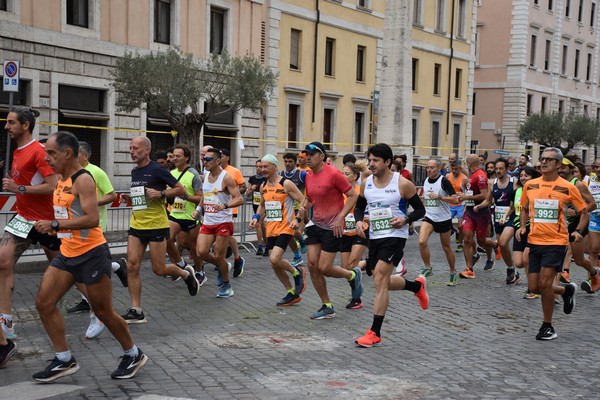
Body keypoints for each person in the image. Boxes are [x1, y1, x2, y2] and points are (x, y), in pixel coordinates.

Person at [32, 131, 147, 382]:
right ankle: (64, 359)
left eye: (51, 153)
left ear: (67, 153)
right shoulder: (60, 179)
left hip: (91, 254)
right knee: (43, 302)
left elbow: (92, 218)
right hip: (67, 254)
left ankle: (133, 353)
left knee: (103, 311)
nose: (47, 159)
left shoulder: (82, 180)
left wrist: (54, 224)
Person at [353, 143, 428, 348]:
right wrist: (359, 221)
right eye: (370, 160)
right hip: (374, 236)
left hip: (395, 236)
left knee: (379, 278)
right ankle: (416, 286)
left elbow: (420, 210)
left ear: (387, 162)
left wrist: (405, 219)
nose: (371, 164)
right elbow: (359, 208)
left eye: (376, 160)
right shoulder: (366, 182)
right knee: (381, 278)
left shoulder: (402, 184)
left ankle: (374, 332)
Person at [120, 136, 199, 324]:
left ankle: (186, 273)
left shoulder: (157, 169)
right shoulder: (134, 171)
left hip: (156, 225)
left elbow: (180, 190)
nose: (132, 151)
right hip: (137, 224)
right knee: (132, 266)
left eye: (135, 148)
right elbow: (142, 197)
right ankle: (136, 310)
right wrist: (130, 199)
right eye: (130, 148)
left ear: (146, 150)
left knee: (159, 269)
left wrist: (161, 193)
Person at [0, 107, 60, 340]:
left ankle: (96, 307)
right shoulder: (17, 152)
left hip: (46, 221)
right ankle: (6, 321)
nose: (6, 127)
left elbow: (53, 184)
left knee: (67, 270)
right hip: (23, 218)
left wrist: (20, 188)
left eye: (11, 122)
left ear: (25, 125)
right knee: (3, 261)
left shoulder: (39, 151)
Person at [516, 147, 587, 340]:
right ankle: (566, 291)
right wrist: (523, 227)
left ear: (558, 164)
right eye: (542, 158)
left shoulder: (568, 186)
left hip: (556, 242)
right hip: (534, 241)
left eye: (549, 159)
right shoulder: (530, 185)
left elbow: (584, 212)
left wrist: (579, 231)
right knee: (534, 287)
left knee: (545, 283)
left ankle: (547, 326)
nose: (544, 162)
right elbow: (523, 209)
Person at [298, 141, 363, 320]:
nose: (308, 158)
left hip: (333, 226)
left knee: (324, 268)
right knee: (312, 265)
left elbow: (353, 195)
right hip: (316, 224)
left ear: (322, 156)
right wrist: (301, 213)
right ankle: (327, 305)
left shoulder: (334, 173)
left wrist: (341, 217)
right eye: (306, 155)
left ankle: (352, 275)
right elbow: (309, 198)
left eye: (312, 155)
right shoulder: (308, 176)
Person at [73, 141, 127, 340]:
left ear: (85, 156)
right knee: (81, 265)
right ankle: (116, 266)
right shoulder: (70, 174)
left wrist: (92, 202)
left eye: (75, 153)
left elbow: (112, 195)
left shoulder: (96, 172)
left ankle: (98, 309)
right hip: (75, 228)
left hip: (96, 226)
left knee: (89, 266)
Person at [248, 154, 306, 306]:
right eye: (261, 167)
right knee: (274, 263)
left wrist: (297, 219)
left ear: (275, 167)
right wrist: (256, 217)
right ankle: (291, 293)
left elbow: (303, 200)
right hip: (271, 228)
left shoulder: (286, 184)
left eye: (266, 166)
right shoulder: (263, 186)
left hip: (286, 227)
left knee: (274, 258)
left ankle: (296, 272)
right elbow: (262, 205)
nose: (263, 169)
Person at [195, 148, 244, 298]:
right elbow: (206, 195)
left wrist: (225, 205)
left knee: (217, 255)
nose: (204, 162)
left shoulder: (226, 178)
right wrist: (198, 209)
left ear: (217, 161)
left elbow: (239, 198)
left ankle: (226, 285)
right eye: (203, 159)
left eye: (208, 159)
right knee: (201, 253)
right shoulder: (205, 176)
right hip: (208, 222)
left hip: (223, 222)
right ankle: (223, 265)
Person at [557, 158, 600, 294]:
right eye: (559, 167)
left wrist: (576, 212)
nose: (560, 170)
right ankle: (556, 292)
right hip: (560, 225)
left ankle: (594, 272)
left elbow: (592, 204)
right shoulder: (556, 182)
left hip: (576, 225)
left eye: (563, 168)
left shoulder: (578, 184)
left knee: (580, 259)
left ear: (571, 169)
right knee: (556, 256)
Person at [165, 144, 205, 285]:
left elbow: (201, 197)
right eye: (174, 156)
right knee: (167, 238)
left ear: (186, 157)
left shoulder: (193, 174)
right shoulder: (171, 174)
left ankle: (200, 271)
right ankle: (179, 263)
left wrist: (186, 196)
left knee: (192, 247)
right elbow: (169, 193)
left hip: (191, 216)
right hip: (176, 214)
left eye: (178, 156)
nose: (175, 158)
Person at [478, 158, 520, 284]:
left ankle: (511, 269)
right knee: (502, 245)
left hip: (511, 216)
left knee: (502, 242)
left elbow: (517, 199)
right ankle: (511, 269)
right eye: (496, 169)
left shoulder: (514, 182)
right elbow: (488, 200)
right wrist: (479, 206)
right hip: (497, 217)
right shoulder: (493, 182)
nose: (498, 171)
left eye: (501, 168)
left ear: (507, 169)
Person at [418, 159, 459, 286]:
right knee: (421, 241)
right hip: (429, 217)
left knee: (446, 247)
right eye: (428, 168)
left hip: (443, 219)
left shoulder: (444, 181)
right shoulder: (425, 181)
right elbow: (426, 198)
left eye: (432, 168)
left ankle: (453, 272)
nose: (429, 170)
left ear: (439, 168)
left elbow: (455, 199)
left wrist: (440, 197)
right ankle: (428, 267)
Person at [457, 154, 497, 279]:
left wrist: (466, 197)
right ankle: (469, 269)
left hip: (481, 212)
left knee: (481, 241)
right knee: (467, 239)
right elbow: (470, 191)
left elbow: (484, 195)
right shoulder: (472, 175)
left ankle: (496, 245)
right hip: (469, 211)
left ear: (469, 164)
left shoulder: (480, 175)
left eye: (466, 163)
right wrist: (463, 193)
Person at [340, 162, 369, 308]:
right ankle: (368, 263)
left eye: (347, 174)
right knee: (347, 269)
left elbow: (368, 208)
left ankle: (356, 298)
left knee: (352, 264)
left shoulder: (360, 191)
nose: (343, 176)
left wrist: (366, 217)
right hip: (345, 232)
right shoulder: (339, 192)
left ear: (355, 176)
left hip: (360, 230)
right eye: (342, 173)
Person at [513, 166, 540, 299]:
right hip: (519, 227)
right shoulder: (518, 190)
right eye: (521, 175)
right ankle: (536, 275)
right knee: (518, 262)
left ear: (532, 177)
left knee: (526, 259)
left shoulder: (536, 190)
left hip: (532, 228)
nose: (523, 178)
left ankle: (532, 288)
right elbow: (516, 208)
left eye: (526, 175)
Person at [219, 148, 246, 278]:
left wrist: (231, 192)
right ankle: (224, 259)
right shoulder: (212, 172)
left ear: (228, 158)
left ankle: (236, 259)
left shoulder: (234, 171)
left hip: (230, 208)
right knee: (221, 235)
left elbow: (243, 187)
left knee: (227, 235)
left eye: (222, 155)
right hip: (214, 209)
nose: (219, 158)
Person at [281, 152, 308, 266]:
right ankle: (300, 245)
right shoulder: (281, 175)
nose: (287, 164)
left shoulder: (302, 175)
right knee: (289, 232)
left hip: (299, 207)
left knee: (293, 231)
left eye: (290, 161)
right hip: (286, 208)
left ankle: (302, 241)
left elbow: (310, 188)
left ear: (295, 162)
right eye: (286, 161)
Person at [247, 159, 267, 256]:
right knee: (262, 226)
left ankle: (260, 247)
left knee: (258, 224)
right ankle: (267, 246)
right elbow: (247, 194)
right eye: (257, 166)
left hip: (265, 205)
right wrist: (251, 189)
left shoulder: (266, 179)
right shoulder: (252, 179)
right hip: (256, 204)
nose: (258, 169)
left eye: (260, 166)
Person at [448, 160, 468, 253]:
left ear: (460, 168)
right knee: (446, 224)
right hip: (450, 204)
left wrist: (462, 195)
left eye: (456, 169)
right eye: (453, 169)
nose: (454, 171)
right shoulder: (448, 177)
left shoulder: (464, 178)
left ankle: (460, 244)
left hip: (460, 204)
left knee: (461, 225)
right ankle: (455, 231)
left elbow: (468, 192)